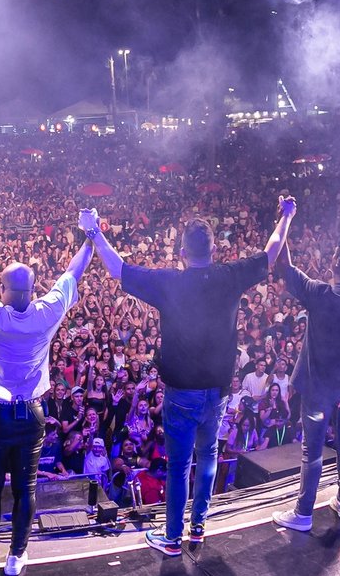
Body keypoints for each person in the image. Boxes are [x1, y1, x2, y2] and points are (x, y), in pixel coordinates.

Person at [88, 197, 294, 556]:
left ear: (182, 252)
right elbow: (272, 250)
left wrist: (93, 232)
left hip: (181, 393)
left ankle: (172, 538)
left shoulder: (170, 282)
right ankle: (198, 527)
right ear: (213, 250)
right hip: (217, 392)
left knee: (180, 466)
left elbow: (118, 269)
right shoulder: (229, 276)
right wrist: (286, 216)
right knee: (208, 456)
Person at [0, 204, 92, 576]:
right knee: (26, 488)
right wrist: (91, 237)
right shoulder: (46, 313)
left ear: (3, 289)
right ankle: (16, 557)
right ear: (33, 289)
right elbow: (73, 273)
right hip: (32, 415)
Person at [270, 228, 340, 533]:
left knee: (313, 451)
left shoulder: (320, 295)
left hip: (318, 388)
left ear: (335, 259)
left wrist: (286, 219)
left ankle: (303, 513)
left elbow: (284, 266)